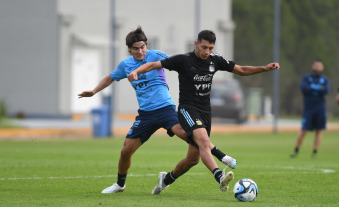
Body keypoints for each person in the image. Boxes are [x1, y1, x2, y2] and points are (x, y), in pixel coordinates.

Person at [78, 27, 236, 194]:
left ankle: (221, 157)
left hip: (166, 109)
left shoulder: (156, 55)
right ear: (130, 50)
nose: (140, 51)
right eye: (136, 48)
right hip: (145, 114)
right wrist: (94, 91)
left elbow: (181, 62)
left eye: (143, 47)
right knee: (126, 150)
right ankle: (120, 184)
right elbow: (110, 77)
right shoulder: (125, 65)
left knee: (189, 135)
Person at [128, 30, 280, 194]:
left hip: (205, 112)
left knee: (192, 159)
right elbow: (153, 65)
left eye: (210, 48)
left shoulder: (215, 60)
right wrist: (136, 71)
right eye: (204, 47)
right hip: (188, 109)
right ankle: (219, 176)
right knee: (203, 139)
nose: (207, 51)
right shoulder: (183, 60)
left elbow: (241, 69)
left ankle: (165, 180)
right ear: (196, 44)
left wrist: (264, 68)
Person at [290, 60, 330, 158]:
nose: (317, 67)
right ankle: (296, 150)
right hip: (308, 108)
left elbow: (326, 90)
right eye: (315, 65)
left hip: (320, 107)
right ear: (312, 66)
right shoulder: (306, 78)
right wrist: (318, 88)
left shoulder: (325, 79)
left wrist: (312, 87)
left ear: (322, 67)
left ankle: (315, 152)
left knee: (319, 130)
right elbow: (304, 89)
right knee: (304, 130)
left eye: (319, 65)